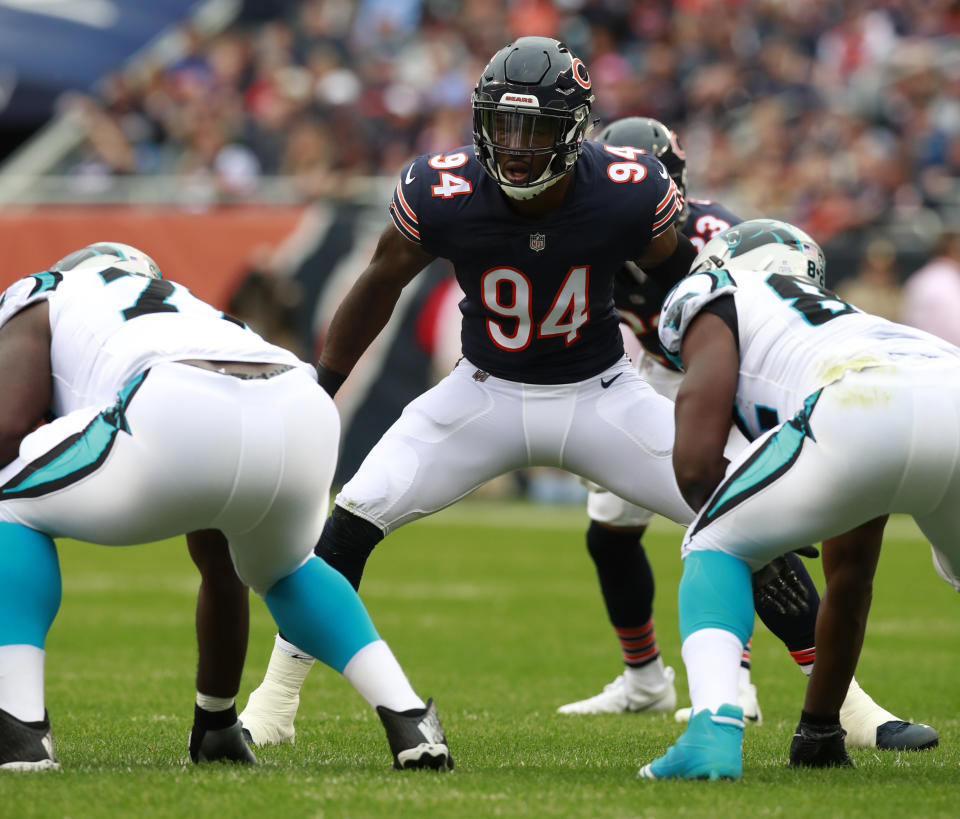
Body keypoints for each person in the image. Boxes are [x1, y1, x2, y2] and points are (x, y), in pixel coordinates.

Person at [237, 36, 704, 745]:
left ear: (575, 134)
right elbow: (378, 286)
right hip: (482, 393)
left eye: (536, 129)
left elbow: (688, 288)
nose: (515, 147)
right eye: (503, 125)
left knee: (737, 509)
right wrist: (319, 388)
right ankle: (274, 703)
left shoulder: (627, 186)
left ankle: (842, 708)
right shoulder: (444, 188)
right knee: (352, 515)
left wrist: (705, 385)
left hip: (601, 392)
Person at [557, 118, 934, 754]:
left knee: (736, 519)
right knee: (610, 529)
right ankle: (644, 677)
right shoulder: (586, 232)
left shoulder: (713, 237)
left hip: (731, 366)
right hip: (658, 366)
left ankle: (801, 694)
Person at [0, 242, 452, 772]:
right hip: (297, 402)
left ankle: (20, 729)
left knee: (9, 503)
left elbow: (8, 425)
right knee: (285, 569)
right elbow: (220, 566)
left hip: (174, 399)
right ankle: (407, 715)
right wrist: (215, 718)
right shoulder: (186, 306)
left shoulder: (46, 292)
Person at [638, 219, 951, 781]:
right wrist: (818, 729)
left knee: (713, 540)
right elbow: (850, 578)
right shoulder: (848, 322)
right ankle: (823, 729)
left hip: (861, 400)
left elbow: (695, 462)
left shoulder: (720, 291)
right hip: (943, 382)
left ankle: (711, 733)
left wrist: (747, 539)